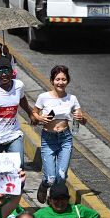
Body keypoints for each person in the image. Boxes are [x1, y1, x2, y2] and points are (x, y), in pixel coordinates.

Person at [33, 65, 86, 203]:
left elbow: (83, 119)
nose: (60, 82)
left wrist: (81, 118)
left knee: (61, 176)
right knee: (51, 178)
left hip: (65, 138)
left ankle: (55, 201)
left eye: (63, 79)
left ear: (67, 81)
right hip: (48, 139)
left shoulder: (72, 99)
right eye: (57, 79)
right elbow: (34, 114)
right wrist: (40, 118)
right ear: (52, 80)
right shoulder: (43, 97)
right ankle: (44, 185)